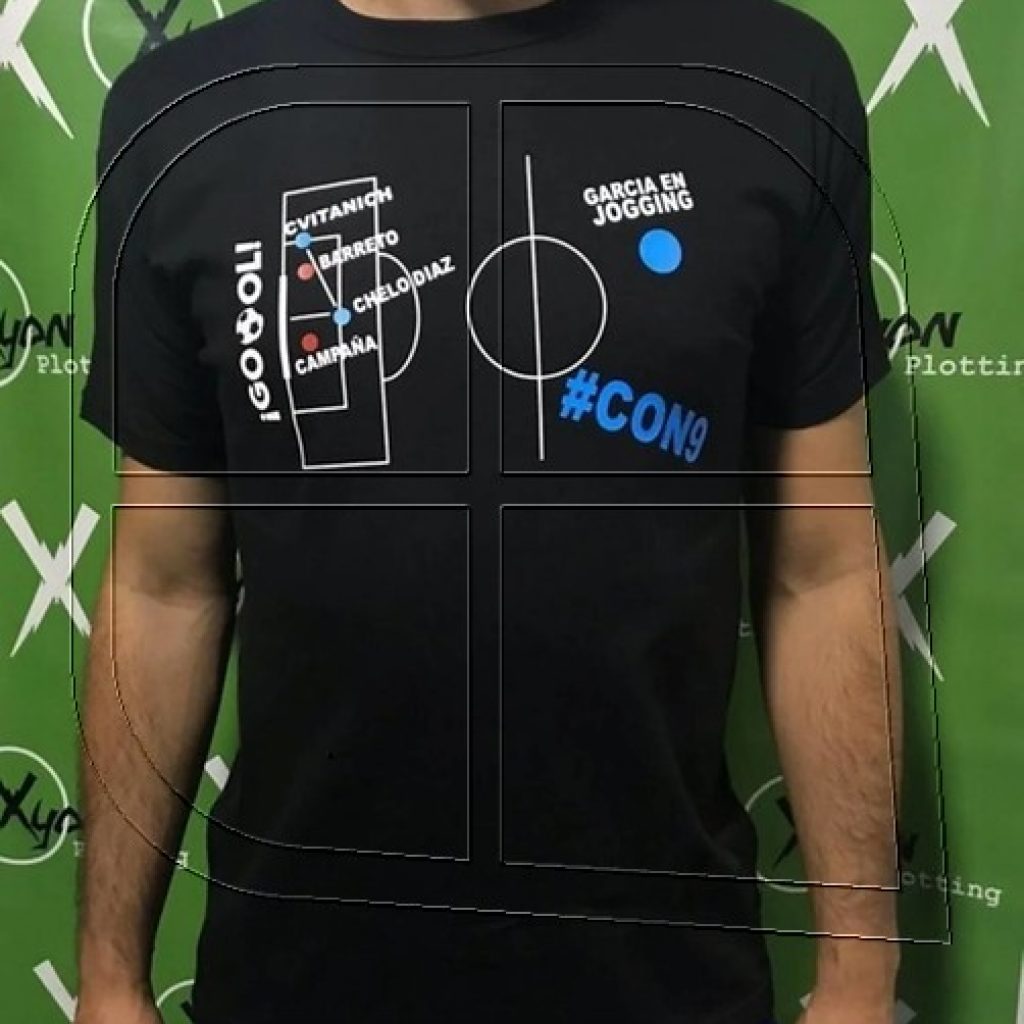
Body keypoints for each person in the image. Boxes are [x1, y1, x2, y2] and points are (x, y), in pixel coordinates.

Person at [74, 1, 904, 1022]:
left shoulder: (773, 78)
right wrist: (107, 977)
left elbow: (821, 569)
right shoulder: (186, 111)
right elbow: (162, 585)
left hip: (662, 976)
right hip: (296, 974)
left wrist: (861, 979)